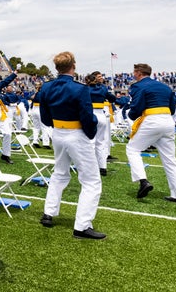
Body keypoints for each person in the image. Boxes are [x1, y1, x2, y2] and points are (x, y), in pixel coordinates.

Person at [38, 52, 104, 239]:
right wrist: (90, 133)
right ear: (73, 66)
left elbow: (45, 116)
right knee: (91, 181)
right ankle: (82, 226)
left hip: (58, 132)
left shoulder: (47, 86)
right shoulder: (80, 88)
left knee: (59, 173)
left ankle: (48, 213)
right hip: (76, 134)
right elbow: (86, 116)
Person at [125, 63, 176, 204]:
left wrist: (130, 114)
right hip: (167, 121)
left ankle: (143, 181)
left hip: (152, 120)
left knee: (132, 149)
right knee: (170, 159)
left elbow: (136, 108)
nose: (133, 75)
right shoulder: (165, 86)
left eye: (134, 72)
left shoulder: (138, 86)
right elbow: (172, 109)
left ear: (139, 73)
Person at [86, 71, 116, 177]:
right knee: (101, 143)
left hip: (91, 114)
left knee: (90, 142)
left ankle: (90, 167)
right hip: (101, 115)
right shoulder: (103, 89)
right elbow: (113, 98)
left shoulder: (85, 89)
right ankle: (102, 167)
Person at [29, 81, 51, 148]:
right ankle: (46, 143)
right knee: (44, 127)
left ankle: (35, 141)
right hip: (40, 109)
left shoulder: (35, 93)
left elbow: (30, 97)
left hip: (34, 109)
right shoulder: (43, 93)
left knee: (36, 127)